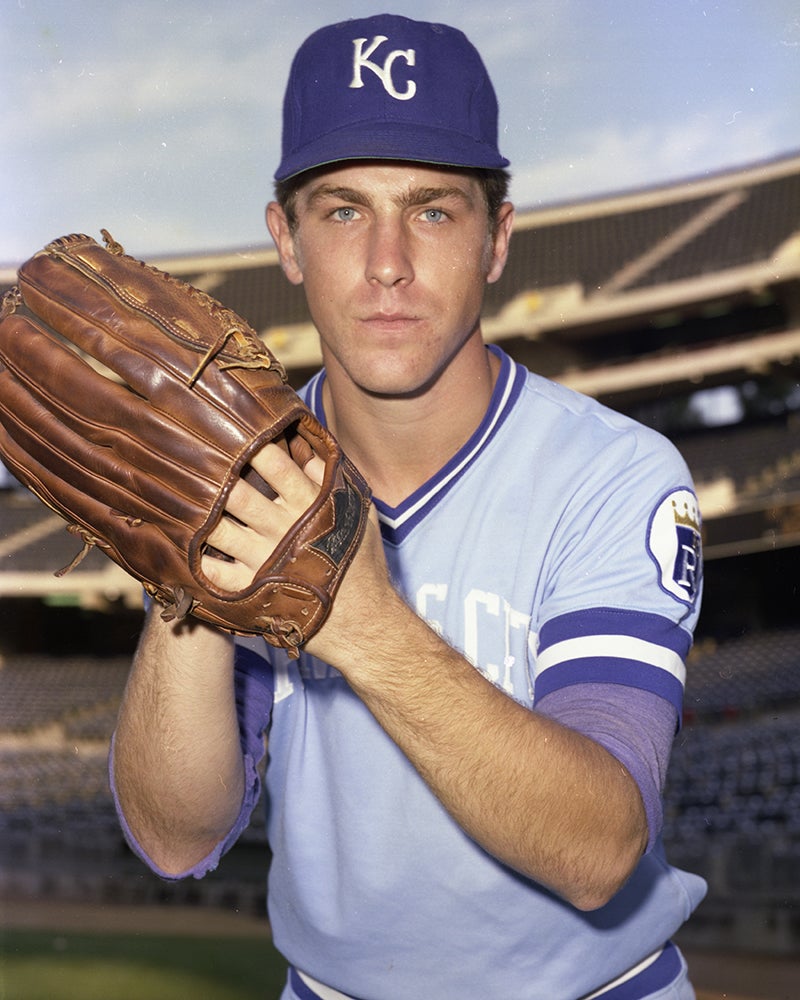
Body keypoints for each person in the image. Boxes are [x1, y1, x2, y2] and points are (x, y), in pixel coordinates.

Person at [111, 13, 706, 999]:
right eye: (344, 211)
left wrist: (365, 628)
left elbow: (599, 846)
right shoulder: (240, 477)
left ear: (496, 239)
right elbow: (175, 836)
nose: (386, 261)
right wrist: (186, 588)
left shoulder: (613, 473)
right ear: (286, 240)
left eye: (431, 210)